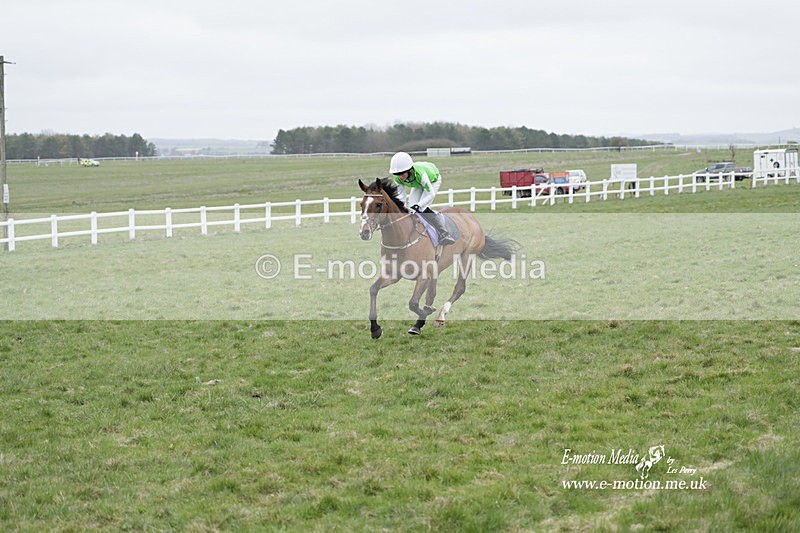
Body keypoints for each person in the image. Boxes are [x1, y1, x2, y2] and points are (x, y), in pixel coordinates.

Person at [389, 152, 455, 245]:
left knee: (422, 208)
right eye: (397, 174)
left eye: (402, 173)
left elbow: (430, 194)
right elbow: (401, 196)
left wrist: (418, 205)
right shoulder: (397, 178)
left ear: (409, 170)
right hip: (417, 184)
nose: (400, 177)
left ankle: (444, 233)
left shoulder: (421, 175)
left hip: (432, 181)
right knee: (410, 207)